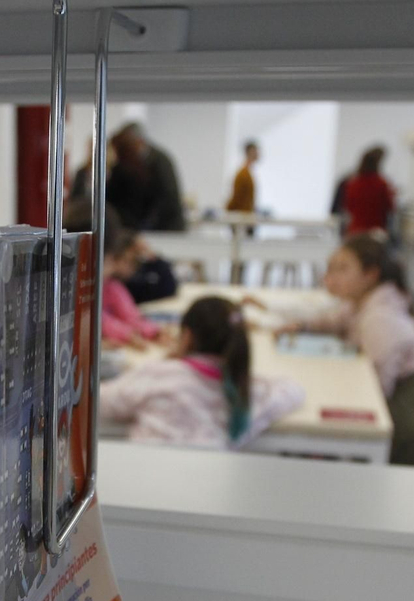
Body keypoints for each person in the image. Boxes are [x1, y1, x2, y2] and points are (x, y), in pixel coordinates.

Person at [282, 233, 414, 468]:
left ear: (370, 275)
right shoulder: (363, 302)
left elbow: (375, 393)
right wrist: (303, 326)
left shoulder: (380, 317)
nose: (330, 276)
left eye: (342, 269)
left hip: (411, 424)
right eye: (330, 268)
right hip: (402, 402)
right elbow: (335, 321)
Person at [100, 296, 304, 449]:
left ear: (187, 336)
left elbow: (99, 402)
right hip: (207, 499)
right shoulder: (242, 393)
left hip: (136, 493)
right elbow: (293, 390)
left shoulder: (160, 374)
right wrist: (245, 377)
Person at [106, 123, 187, 232]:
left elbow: (167, 197)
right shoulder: (127, 164)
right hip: (142, 228)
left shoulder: (160, 161)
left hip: (166, 228)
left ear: (139, 141)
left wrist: (147, 224)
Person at [99, 216, 161, 349]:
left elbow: (130, 315)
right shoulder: (95, 286)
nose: (114, 265)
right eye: (125, 260)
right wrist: (128, 335)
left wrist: (154, 332)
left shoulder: (113, 285)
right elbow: (100, 319)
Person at [341, 146, 396, 234]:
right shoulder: (381, 183)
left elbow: (348, 207)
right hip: (375, 230)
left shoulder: (353, 183)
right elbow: (390, 207)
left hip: (355, 229)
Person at [226, 140, 260, 214]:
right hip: (242, 216)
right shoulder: (243, 173)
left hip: (246, 215)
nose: (258, 154)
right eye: (256, 151)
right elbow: (237, 197)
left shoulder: (248, 172)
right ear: (250, 152)